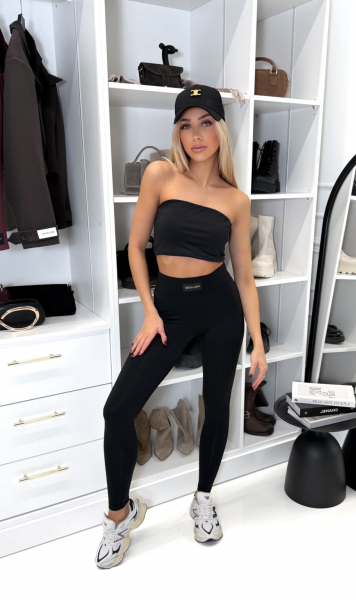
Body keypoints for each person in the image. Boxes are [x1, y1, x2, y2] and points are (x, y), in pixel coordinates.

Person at [96, 84, 268, 569]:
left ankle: (203, 498)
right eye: (186, 125)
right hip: (168, 309)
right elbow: (135, 248)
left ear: (220, 129)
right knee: (117, 410)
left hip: (219, 307)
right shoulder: (160, 174)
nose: (196, 135)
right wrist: (150, 311)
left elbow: (245, 276)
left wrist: (257, 342)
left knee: (217, 406)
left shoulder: (236, 200)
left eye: (206, 123)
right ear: (177, 132)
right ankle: (120, 515)